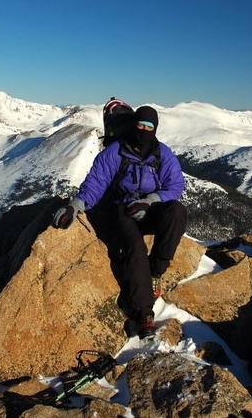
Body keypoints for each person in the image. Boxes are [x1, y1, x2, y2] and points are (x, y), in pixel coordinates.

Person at [51, 106, 187, 338]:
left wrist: (151, 201)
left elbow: (175, 187)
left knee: (176, 212)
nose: (144, 131)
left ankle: (156, 272)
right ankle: (144, 312)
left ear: (155, 129)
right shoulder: (115, 152)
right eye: (140, 126)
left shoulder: (162, 154)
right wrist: (76, 205)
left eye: (149, 127)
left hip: (148, 208)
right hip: (122, 210)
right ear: (134, 125)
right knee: (134, 247)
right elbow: (96, 183)